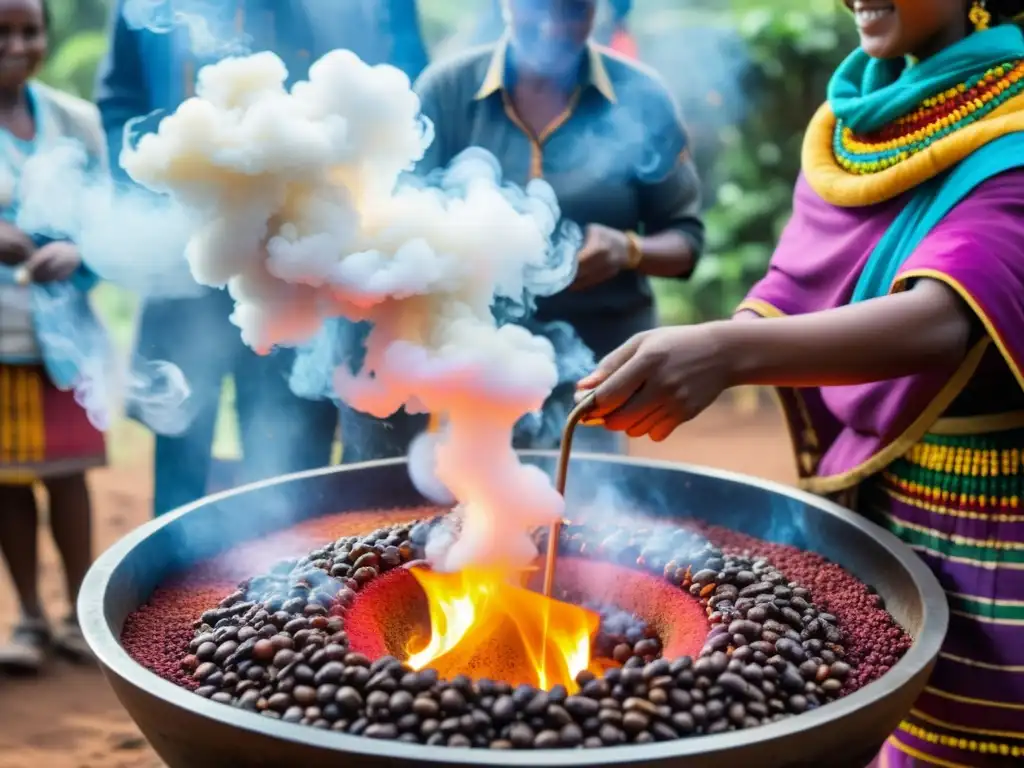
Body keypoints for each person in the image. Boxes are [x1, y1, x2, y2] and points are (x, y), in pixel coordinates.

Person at [580, 1, 1024, 764]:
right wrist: (715, 347)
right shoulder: (862, 113)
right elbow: (797, 282)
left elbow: (945, 317)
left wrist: (725, 353)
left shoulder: (1009, 116)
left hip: (1000, 520)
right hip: (892, 509)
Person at [94, 0, 430, 515]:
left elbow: (406, 96)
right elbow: (120, 105)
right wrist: (166, 188)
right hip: (183, 264)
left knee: (290, 452)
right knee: (179, 441)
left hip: (298, 270)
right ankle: (169, 587)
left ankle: (294, 589)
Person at [341, 0, 704, 459]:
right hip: (471, 363)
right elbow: (395, 228)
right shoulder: (446, 90)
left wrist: (627, 249)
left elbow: (686, 241)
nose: (553, 24)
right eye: (536, 4)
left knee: (581, 506)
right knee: (464, 499)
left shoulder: (643, 97)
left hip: (595, 375)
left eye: (574, 8)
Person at [0, 0, 105, 672]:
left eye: (30, 30)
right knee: (7, 482)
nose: (18, 43)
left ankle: (81, 616)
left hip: (66, 339)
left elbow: (109, 220)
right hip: (1, 341)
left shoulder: (78, 121)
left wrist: (79, 252)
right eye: (1, 32)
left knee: (70, 479)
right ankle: (31, 619)